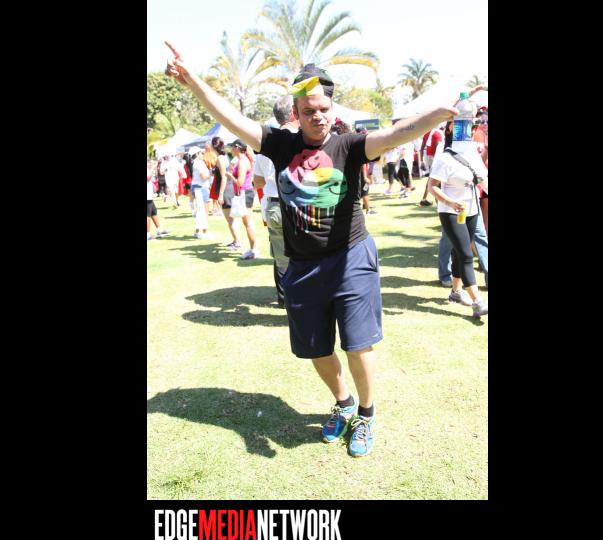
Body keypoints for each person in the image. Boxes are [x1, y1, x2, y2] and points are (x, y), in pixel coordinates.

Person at [165, 40, 461, 457]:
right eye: (308, 111)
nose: (317, 116)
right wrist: (193, 80)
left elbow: (395, 134)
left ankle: (366, 414)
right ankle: (343, 403)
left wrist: (434, 116)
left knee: (357, 344)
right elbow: (230, 118)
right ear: (296, 113)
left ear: (332, 108)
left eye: (323, 108)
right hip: (302, 265)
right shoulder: (279, 145)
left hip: (351, 257)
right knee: (316, 349)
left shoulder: (349, 146)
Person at [427, 121, 489, 318]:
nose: (469, 136)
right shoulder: (445, 157)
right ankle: (478, 302)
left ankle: (455, 292)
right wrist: (451, 202)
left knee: (457, 251)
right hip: (450, 211)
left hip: (471, 210)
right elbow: (432, 186)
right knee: (466, 254)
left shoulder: (474, 155)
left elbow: (483, 180)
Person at [253, 95, 299, 307]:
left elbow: (258, 181)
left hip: (273, 204)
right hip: (297, 203)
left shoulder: (266, 143)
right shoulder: (304, 138)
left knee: (281, 258)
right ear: (294, 113)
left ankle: (285, 298)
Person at [225, 139, 259, 260]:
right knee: (247, 222)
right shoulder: (242, 160)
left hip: (245, 192)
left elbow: (240, 182)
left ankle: (254, 250)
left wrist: (229, 175)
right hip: (244, 192)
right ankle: (253, 249)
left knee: (248, 223)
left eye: (232, 147)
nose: (231, 149)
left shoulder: (242, 162)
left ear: (237, 148)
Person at [189, 145, 212, 239]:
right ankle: (205, 232)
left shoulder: (195, 163)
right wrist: (210, 174)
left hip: (197, 187)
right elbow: (203, 177)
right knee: (204, 211)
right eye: (201, 153)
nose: (203, 154)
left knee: (200, 211)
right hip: (201, 187)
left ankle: (198, 231)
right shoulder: (199, 163)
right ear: (197, 154)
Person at [147, 160, 170, 240]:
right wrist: (153, 167)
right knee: (148, 215)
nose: (151, 164)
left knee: (154, 212)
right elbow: (148, 178)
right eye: (150, 163)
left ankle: (159, 230)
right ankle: (148, 235)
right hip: (147, 197)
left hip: (149, 196)